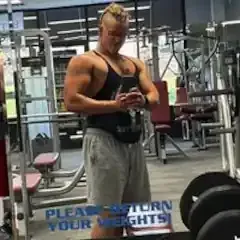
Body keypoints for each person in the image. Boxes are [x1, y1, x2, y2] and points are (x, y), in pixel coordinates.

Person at [64, 3, 159, 239]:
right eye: (113, 34)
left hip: (133, 144)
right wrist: (114, 105)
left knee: (138, 215)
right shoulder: (85, 62)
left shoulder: (134, 64)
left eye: (123, 35)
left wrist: (142, 100)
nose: (117, 40)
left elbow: (155, 97)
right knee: (109, 219)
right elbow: (71, 101)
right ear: (100, 30)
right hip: (104, 142)